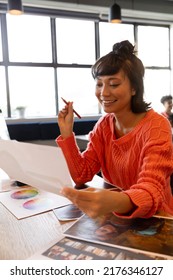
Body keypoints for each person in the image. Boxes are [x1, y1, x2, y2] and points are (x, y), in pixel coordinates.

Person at [57, 40, 173, 220]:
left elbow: (152, 190)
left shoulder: (157, 126)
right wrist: (66, 133)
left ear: (134, 88)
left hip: (157, 218)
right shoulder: (104, 125)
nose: (104, 93)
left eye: (114, 84)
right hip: (117, 216)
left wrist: (116, 201)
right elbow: (81, 175)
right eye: (99, 84)